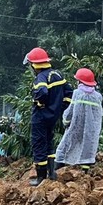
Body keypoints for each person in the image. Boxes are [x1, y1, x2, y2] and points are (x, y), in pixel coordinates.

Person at [24, 46, 73, 186]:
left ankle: (40, 178)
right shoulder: (57, 75)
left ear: (35, 65)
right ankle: (51, 174)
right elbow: (69, 93)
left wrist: (39, 103)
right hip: (53, 117)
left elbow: (42, 93)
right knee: (49, 144)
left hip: (40, 117)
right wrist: (59, 108)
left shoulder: (41, 77)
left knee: (39, 144)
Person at [55, 67, 103, 169]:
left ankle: (57, 171)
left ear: (79, 81)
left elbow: (70, 112)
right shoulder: (98, 96)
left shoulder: (77, 93)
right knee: (87, 151)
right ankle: (84, 174)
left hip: (75, 127)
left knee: (65, 147)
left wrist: (65, 121)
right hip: (91, 130)